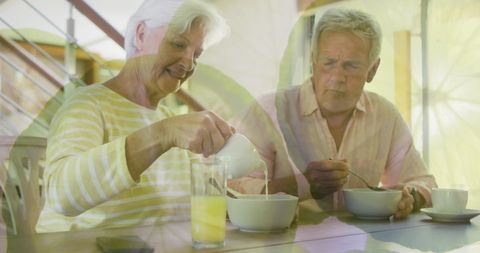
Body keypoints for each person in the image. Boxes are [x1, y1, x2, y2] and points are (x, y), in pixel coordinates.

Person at [36, 0, 232, 232]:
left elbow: (193, 203)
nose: (189, 63)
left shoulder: (169, 119)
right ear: (140, 35)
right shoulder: (87, 105)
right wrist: (161, 134)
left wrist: (249, 189)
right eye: (179, 44)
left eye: (197, 55)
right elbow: (61, 195)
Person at [233, 8, 437, 219]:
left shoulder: (384, 115)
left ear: (372, 70)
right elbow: (233, 189)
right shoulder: (268, 110)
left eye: (350, 66)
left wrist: (410, 197)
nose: (337, 77)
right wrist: (303, 184)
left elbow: (425, 183)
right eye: (328, 63)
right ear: (313, 62)